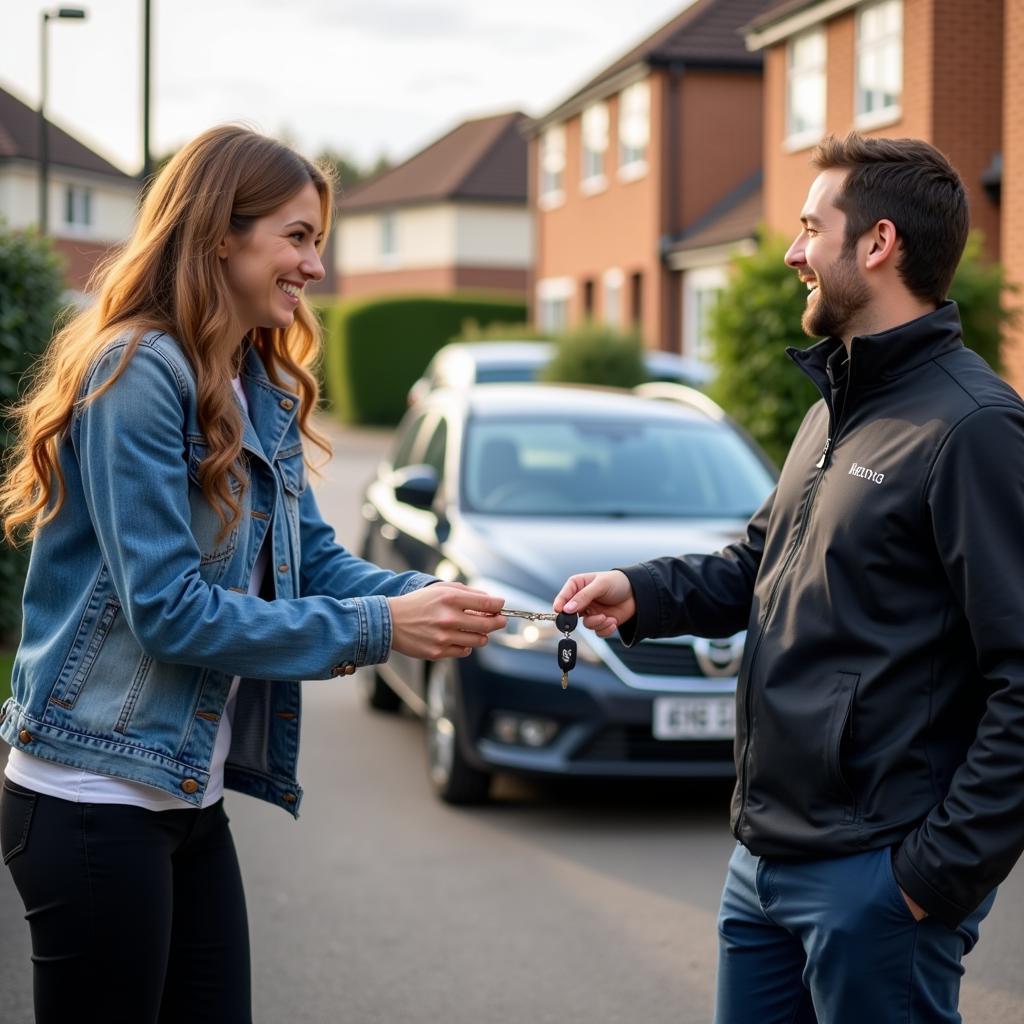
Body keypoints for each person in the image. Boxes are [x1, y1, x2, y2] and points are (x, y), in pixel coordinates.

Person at [0, 125, 506, 1024]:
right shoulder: (135, 370)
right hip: (93, 795)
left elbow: (308, 560)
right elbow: (168, 612)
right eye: (298, 236)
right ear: (219, 234)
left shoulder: (251, 379)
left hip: (186, 796)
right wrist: (386, 632)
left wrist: (438, 601)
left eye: (319, 241)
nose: (315, 266)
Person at [554, 133, 1024, 1023]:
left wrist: (929, 880)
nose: (792, 252)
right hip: (762, 864)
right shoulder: (834, 409)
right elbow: (755, 566)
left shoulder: (975, 430)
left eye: (812, 228)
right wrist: (639, 590)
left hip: (876, 883)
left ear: (878, 244)